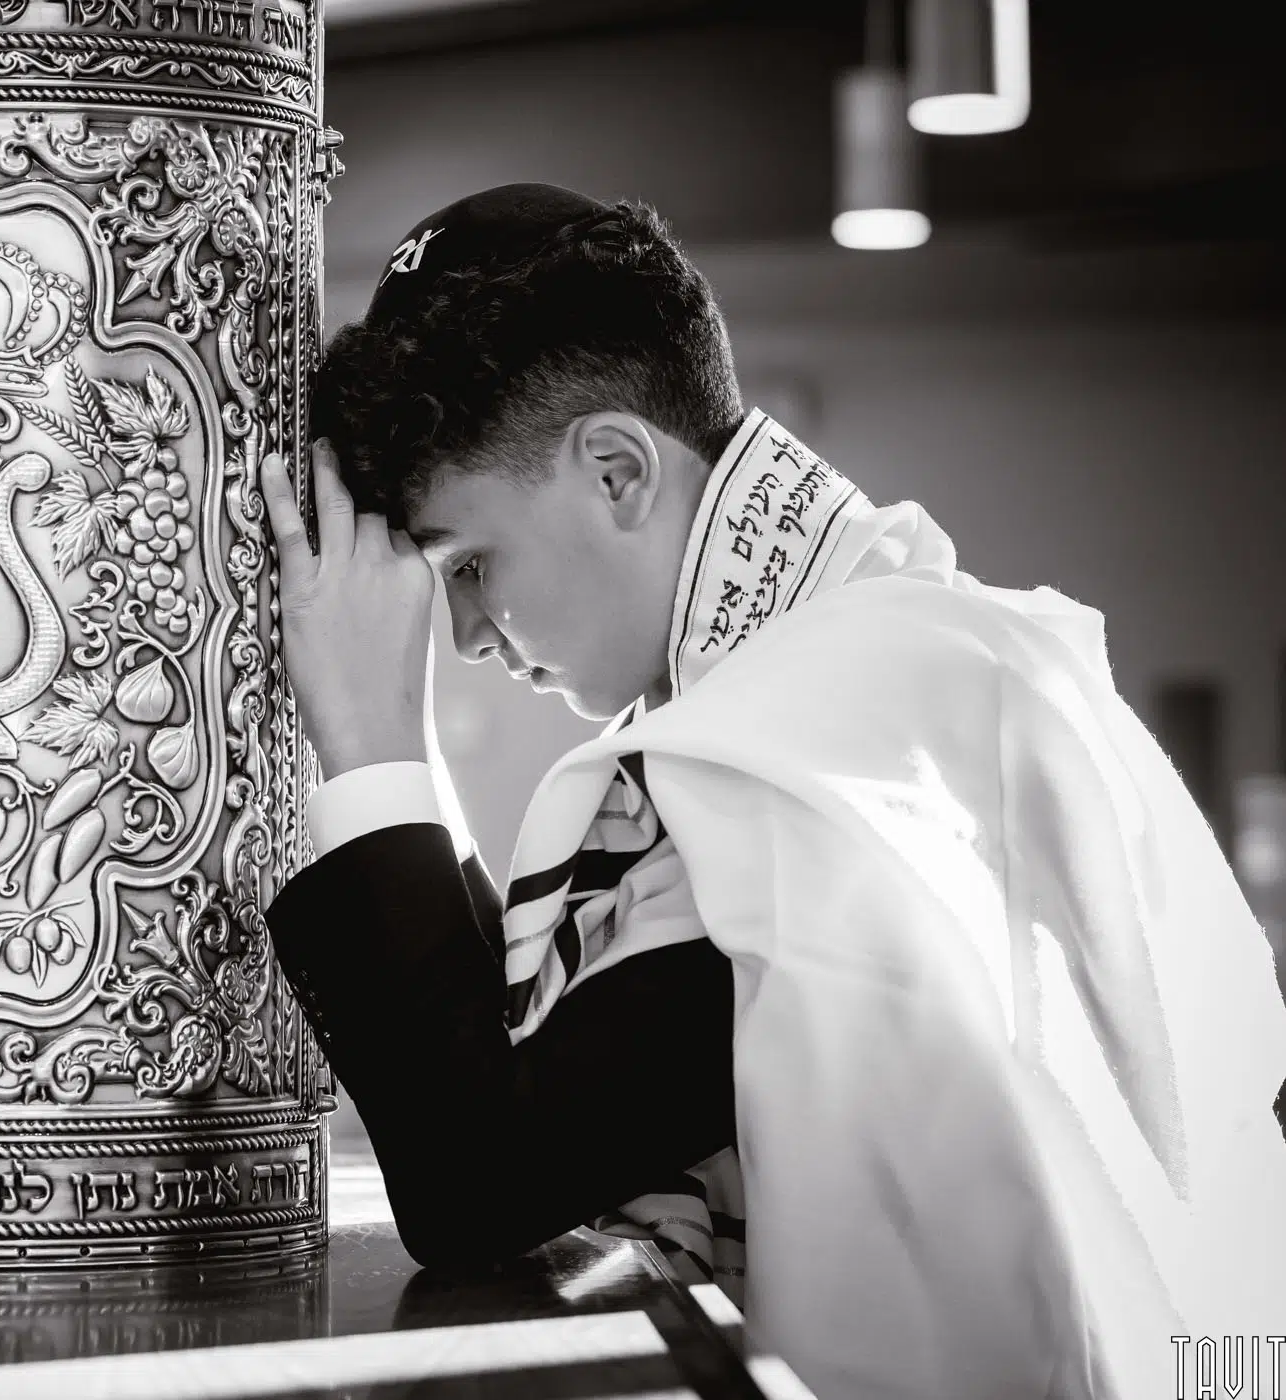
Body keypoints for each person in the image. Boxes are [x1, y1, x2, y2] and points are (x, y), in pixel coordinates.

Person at [259, 183, 1286, 1400]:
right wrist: (406, 761)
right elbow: (575, 1066)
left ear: (618, 470)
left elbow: (488, 1174)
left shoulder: (812, 756)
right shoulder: (924, 662)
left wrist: (371, 746)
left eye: (470, 564)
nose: (467, 633)